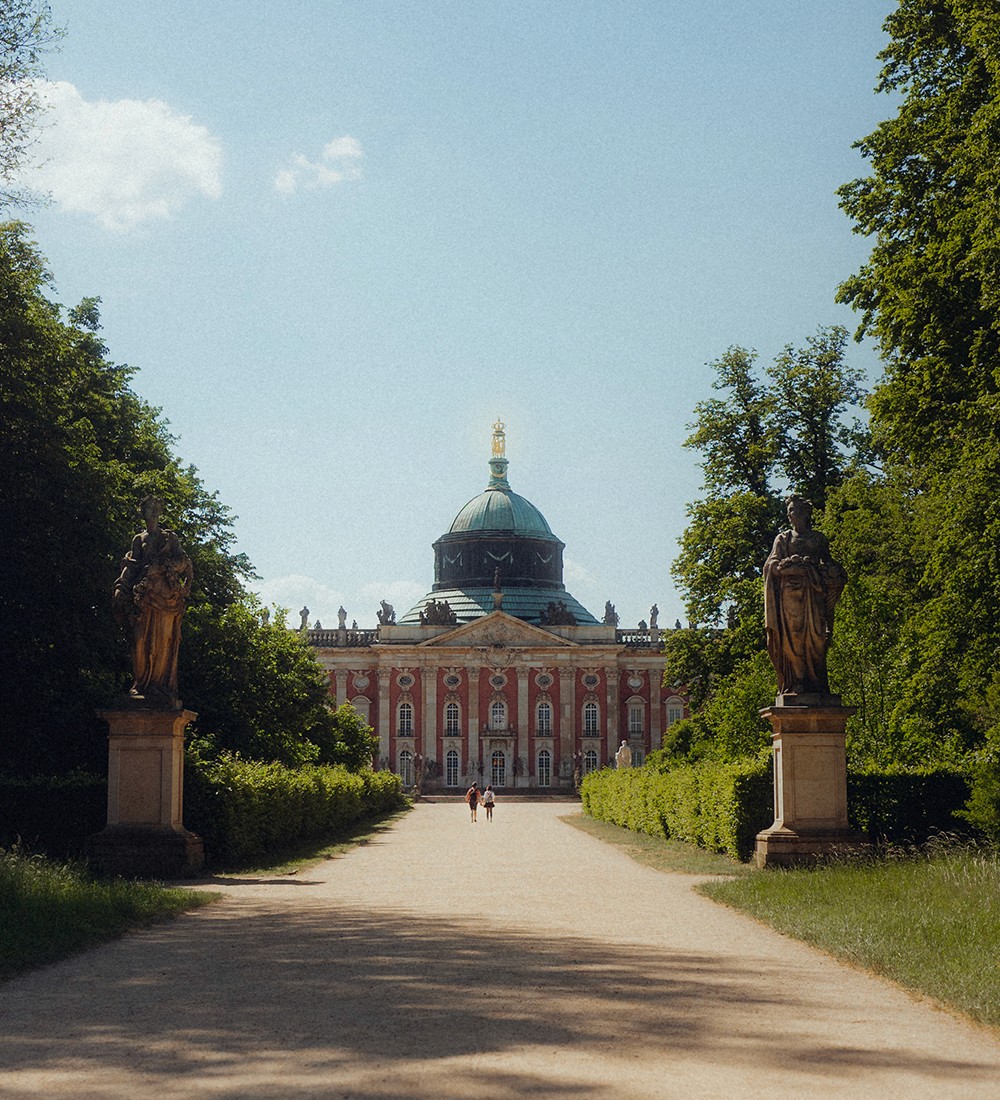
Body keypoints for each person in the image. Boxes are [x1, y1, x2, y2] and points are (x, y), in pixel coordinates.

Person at [113, 496, 193, 707]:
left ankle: (159, 684)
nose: (154, 513)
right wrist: (121, 587)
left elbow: (184, 563)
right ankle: (140, 684)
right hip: (143, 597)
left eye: (157, 509)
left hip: (166, 598)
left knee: (162, 643)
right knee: (139, 641)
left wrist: (164, 565)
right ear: (143, 513)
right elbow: (131, 566)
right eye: (150, 509)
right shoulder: (139, 539)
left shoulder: (170, 539)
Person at [763, 495, 847, 697]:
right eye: (789, 511)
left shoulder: (818, 538)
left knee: (818, 637)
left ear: (806, 513)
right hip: (790, 594)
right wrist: (788, 569)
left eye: (795, 510)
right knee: (793, 638)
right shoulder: (783, 539)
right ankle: (798, 681)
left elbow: (828, 563)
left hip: (814, 591)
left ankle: (816, 681)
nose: (791, 514)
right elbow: (771, 564)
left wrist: (836, 574)